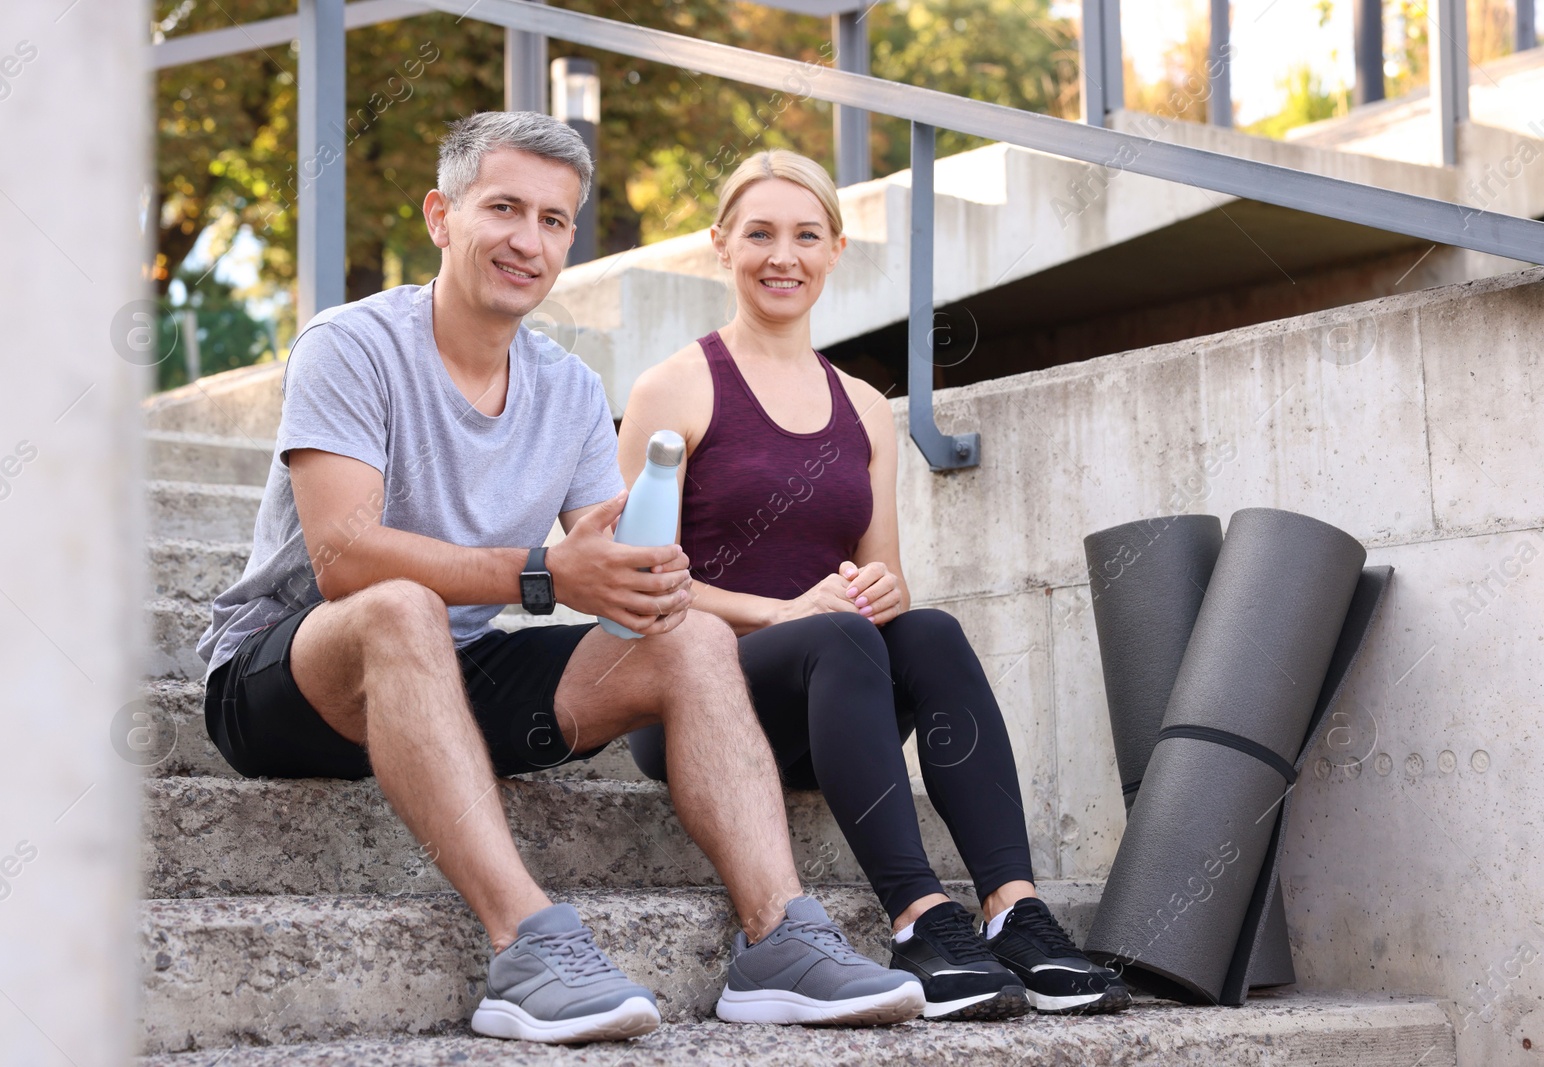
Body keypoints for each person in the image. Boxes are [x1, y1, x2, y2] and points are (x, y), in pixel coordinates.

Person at [195, 114, 923, 1045]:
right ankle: (527, 944)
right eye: (503, 208)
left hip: (454, 678)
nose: (526, 240)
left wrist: (647, 574)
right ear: (441, 217)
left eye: (552, 220)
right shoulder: (351, 345)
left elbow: (608, 552)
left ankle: (780, 935)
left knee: (688, 636)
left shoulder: (572, 390)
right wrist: (544, 573)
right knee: (400, 606)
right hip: (290, 676)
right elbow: (343, 557)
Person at [618, 149, 1131, 1021]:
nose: (785, 256)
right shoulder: (674, 387)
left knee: (925, 629)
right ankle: (920, 919)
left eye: (806, 235)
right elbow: (638, 594)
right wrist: (785, 612)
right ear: (720, 245)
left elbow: (880, 572)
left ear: (836, 251)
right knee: (834, 633)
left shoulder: (861, 405)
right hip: (698, 707)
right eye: (761, 234)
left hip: (830, 697)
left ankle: (1013, 909)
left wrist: (883, 591)